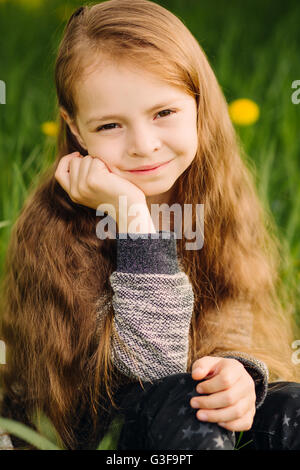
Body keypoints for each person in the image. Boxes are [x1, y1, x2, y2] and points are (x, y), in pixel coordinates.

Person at [0, 0, 299, 451]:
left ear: (198, 102)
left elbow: (229, 320)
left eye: (164, 113)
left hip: (186, 417)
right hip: (103, 429)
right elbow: (153, 372)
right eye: (110, 125)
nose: (144, 145)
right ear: (76, 129)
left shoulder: (212, 199)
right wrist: (133, 218)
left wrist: (238, 373)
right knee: (186, 403)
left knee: (291, 407)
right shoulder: (56, 229)